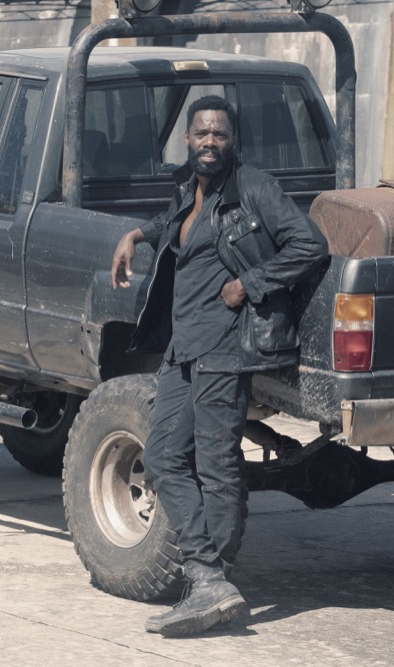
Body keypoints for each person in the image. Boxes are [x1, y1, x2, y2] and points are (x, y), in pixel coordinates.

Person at [110, 95, 328, 637]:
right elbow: (177, 226)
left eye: (220, 135)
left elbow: (310, 245)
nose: (210, 142)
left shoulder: (253, 187)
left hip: (226, 349)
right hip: (184, 348)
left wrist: (249, 285)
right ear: (187, 140)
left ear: (234, 142)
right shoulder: (191, 189)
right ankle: (208, 578)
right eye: (202, 134)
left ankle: (210, 580)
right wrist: (137, 234)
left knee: (217, 466)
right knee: (161, 459)